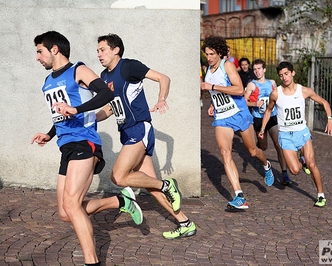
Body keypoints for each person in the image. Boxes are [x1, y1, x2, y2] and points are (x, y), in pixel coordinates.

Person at [31, 31, 143, 266]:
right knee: (65, 212)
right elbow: (59, 114)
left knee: (72, 204)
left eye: (40, 51)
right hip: (66, 145)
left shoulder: (78, 70)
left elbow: (106, 92)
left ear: (54, 50)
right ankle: (120, 202)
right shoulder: (48, 82)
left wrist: (77, 110)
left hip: (85, 141)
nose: (37, 57)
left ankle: (91, 262)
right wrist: (49, 135)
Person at [96, 33, 196, 239]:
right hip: (126, 132)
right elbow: (110, 109)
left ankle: (168, 185)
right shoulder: (104, 77)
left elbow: (163, 78)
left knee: (119, 176)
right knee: (149, 184)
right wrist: (89, 119)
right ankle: (185, 222)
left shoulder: (129, 66)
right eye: (97, 51)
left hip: (139, 128)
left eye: (102, 49)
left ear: (116, 50)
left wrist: (161, 99)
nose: (99, 54)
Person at [200, 36, 274, 211]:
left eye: (212, 54)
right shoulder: (208, 70)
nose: (209, 57)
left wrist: (212, 88)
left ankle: (266, 165)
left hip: (239, 113)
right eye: (206, 54)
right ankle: (239, 196)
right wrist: (213, 104)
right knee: (225, 153)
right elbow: (217, 92)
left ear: (219, 52)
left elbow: (239, 90)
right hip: (222, 117)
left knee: (253, 151)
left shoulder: (228, 66)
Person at [258, 61, 332, 207]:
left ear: (293, 73)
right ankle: (301, 160)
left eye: (286, 74)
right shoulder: (276, 93)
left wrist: (330, 120)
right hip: (286, 135)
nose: (284, 78)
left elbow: (324, 102)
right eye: (281, 75)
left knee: (312, 164)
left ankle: (321, 195)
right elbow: (269, 110)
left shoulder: (304, 91)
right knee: (294, 171)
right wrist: (263, 128)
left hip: (302, 133)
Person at [244, 59, 292, 186]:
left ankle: (284, 173)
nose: (257, 71)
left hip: (272, 116)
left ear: (264, 69)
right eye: (254, 69)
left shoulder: (272, 83)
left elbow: (279, 98)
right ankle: (262, 153)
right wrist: (254, 103)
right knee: (264, 147)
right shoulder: (251, 85)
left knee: (278, 144)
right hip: (259, 119)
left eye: (259, 68)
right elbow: (243, 102)